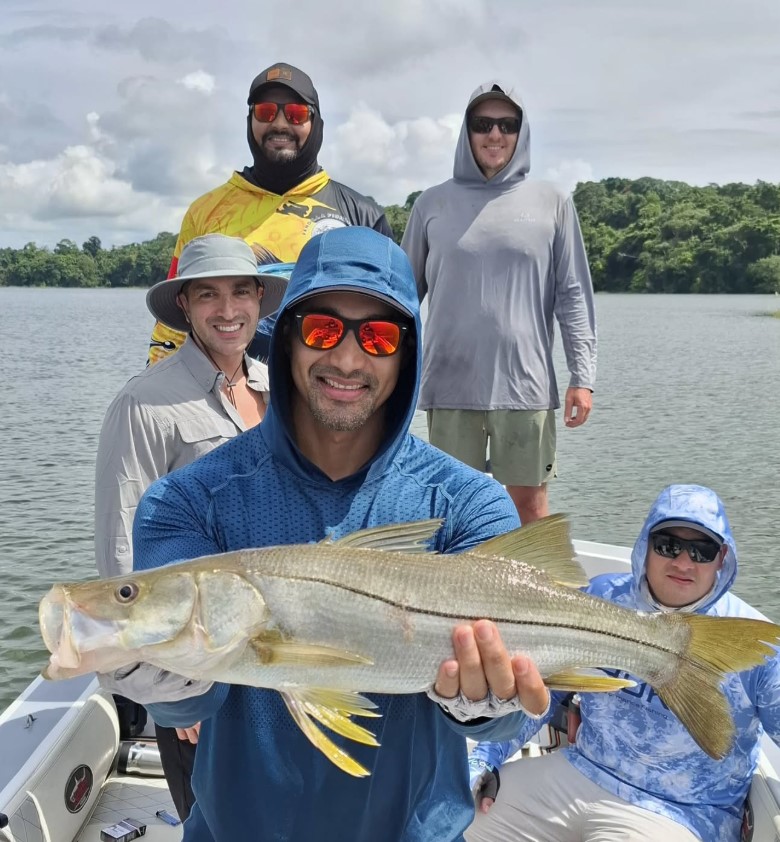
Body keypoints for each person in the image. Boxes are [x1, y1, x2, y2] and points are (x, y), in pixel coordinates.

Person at [101, 226, 552, 841]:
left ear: (408, 354)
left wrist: (484, 708)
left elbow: (501, 721)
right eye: (320, 330)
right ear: (285, 340)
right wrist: (149, 670)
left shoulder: (470, 503)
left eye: (378, 335)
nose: (345, 358)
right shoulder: (185, 502)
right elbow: (188, 705)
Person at [94, 233, 288, 821]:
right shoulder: (144, 404)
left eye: (239, 292)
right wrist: (178, 689)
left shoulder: (281, 391)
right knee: (216, 823)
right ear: (185, 305)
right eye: (208, 295)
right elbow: (123, 561)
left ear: (259, 298)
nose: (227, 311)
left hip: (275, 651)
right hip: (196, 670)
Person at [466, 484, 780, 842]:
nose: (682, 562)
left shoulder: (758, 643)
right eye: (667, 545)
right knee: (457, 817)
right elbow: (546, 691)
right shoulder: (602, 596)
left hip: (684, 812)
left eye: (701, 550)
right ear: (645, 545)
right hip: (580, 771)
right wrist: (486, 757)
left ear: (722, 558)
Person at [401, 80, 597, 525]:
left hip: (525, 387)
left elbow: (573, 295)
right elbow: (403, 299)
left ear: (521, 132)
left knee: (528, 508)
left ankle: (528, 594)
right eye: (483, 123)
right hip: (449, 385)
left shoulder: (554, 203)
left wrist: (582, 377)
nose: (495, 135)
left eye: (507, 124)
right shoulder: (430, 204)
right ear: (466, 131)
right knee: (449, 508)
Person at [148, 61, 392, 366]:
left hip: (330, 397)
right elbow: (173, 322)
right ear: (250, 121)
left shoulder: (365, 217)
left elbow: (387, 326)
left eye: (296, 114)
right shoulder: (204, 212)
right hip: (221, 403)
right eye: (265, 112)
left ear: (315, 124)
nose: (279, 124)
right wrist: (153, 386)